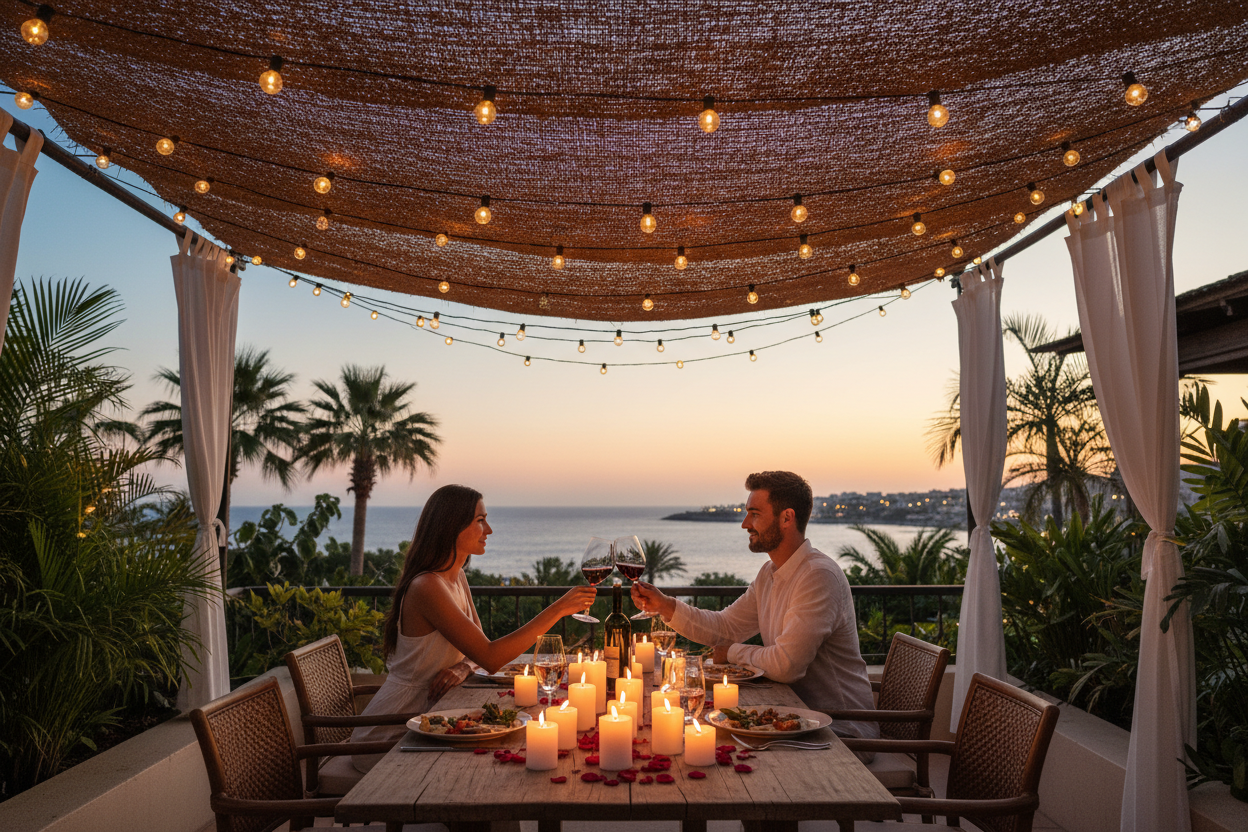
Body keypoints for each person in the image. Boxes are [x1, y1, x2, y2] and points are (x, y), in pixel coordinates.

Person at [352, 484, 596, 772]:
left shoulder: (456, 578)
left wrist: (463, 667)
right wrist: (558, 609)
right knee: (494, 767)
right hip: (393, 731)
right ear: (451, 526)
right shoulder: (427, 586)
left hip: (433, 720)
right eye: (480, 520)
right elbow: (490, 657)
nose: (488, 530)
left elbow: (478, 651)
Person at [631, 471, 879, 741]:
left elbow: (787, 665)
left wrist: (732, 652)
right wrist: (665, 605)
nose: (745, 524)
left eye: (755, 514)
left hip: (841, 731)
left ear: (787, 518)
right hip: (794, 719)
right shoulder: (770, 573)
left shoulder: (818, 576)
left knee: (709, 745)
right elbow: (725, 627)